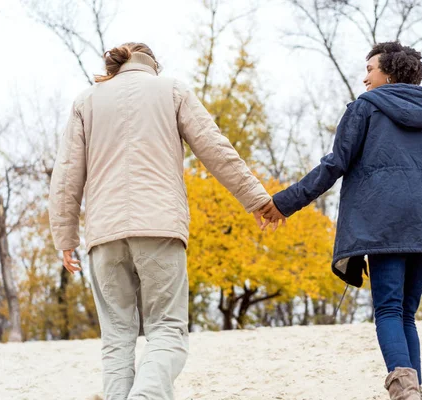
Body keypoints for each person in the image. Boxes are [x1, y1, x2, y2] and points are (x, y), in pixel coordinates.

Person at [49, 42, 274, 400]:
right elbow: (216, 148)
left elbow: (65, 175)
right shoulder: (171, 90)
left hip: (104, 236)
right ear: (152, 64)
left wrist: (65, 236)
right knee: (167, 330)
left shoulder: (86, 100)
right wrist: (257, 199)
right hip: (159, 229)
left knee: (116, 340)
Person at [261, 41, 422, 400]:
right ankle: (413, 392)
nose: (365, 79)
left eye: (370, 70)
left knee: (390, 309)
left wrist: (285, 202)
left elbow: (335, 164)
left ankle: (404, 389)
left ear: (388, 72)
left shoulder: (366, 108)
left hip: (386, 222)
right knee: (406, 312)